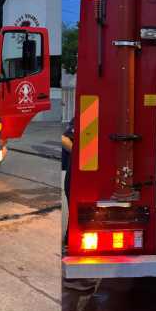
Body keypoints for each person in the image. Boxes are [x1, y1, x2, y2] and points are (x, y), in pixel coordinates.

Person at [60, 118, 98, 292]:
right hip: (79, 177)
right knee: (79, 224)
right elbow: (64, 138)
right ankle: (74, 277)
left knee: (80, 224)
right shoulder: (86, 115)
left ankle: (76, 273)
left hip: (86, 178)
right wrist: (83, 153)